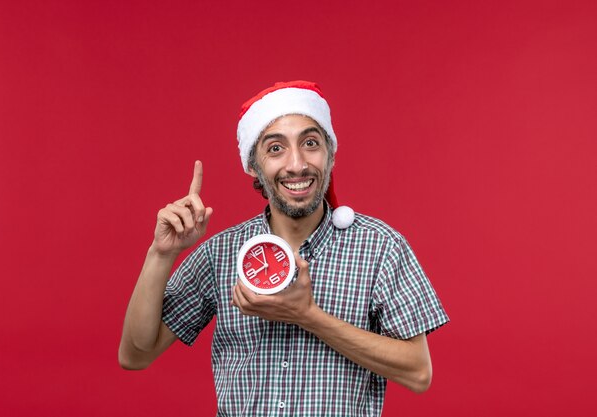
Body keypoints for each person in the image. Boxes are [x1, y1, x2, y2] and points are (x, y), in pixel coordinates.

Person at [119, 80, 449, 416]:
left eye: (310, 143)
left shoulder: (380, 247)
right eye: (275, 148)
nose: (296, 164)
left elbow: (418, 372)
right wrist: (162, 254)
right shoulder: (221, 253)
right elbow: (135, 354)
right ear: (254, 165)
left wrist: (308, 317)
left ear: (331, 154)